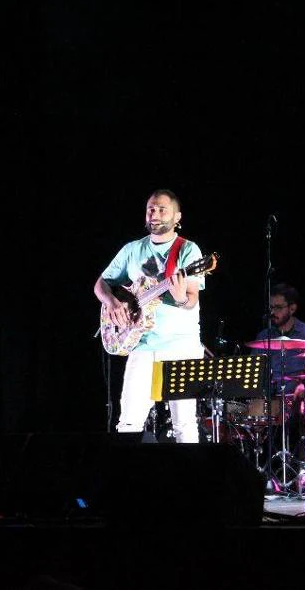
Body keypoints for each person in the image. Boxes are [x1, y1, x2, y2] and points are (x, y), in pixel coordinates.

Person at [95, 189, 207, 443]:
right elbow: (100, 284)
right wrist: (112, 303)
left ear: (177, 216)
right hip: (142, 345)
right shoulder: (132, 249)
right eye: (151, 210)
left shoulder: (188, 250)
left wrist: (179, 297)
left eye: (161, 210)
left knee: (185, 425)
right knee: (128, 423)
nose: (154, 214)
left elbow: (190, 301)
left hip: (181, 346)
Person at [253, 282, 305, 399]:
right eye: (271, 308)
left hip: (299, 403)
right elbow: (254, 373)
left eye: (278, 307)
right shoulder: (263, 337)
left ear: (292, 308)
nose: (273, 312)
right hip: (269, 403)